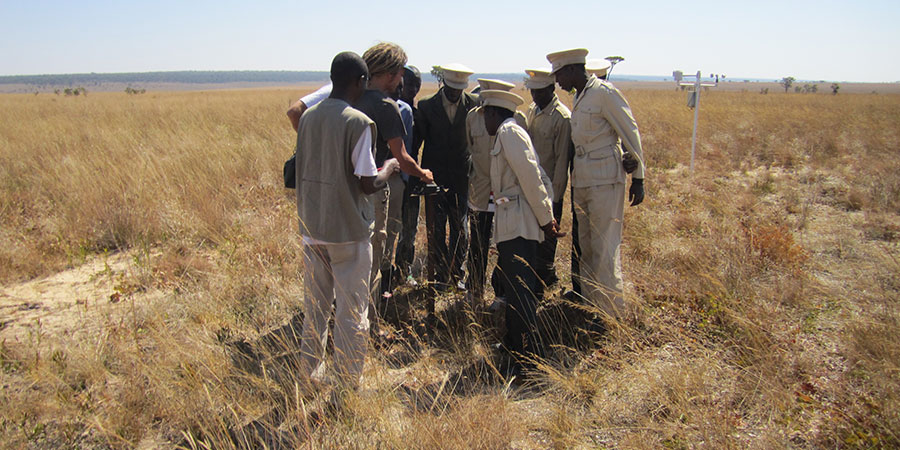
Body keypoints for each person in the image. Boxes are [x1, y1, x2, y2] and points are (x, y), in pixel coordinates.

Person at [294, 51, 398, 396]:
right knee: (352, 312)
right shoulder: (357, 122)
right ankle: (346, 386)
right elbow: (367, 182)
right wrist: (390, 169)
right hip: (349, 234)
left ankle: (308, 376)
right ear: (361, 82)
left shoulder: (308, 118)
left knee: (316, 310)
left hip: (313, 229)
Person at [547, 48, 645, 325]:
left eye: (559, 74)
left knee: (604, 248)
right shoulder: (580, 97)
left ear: (572, 70)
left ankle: (611, 315)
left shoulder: (604, 93)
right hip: (584, 182)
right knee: (587, 248)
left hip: (605, 181)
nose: (557, 82)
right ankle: (592, 309)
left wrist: (639, 176)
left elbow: (630, 131)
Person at [481, 89, 564, 376]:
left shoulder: (510, 133)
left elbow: (531, 177)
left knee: (520, 293)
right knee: (517, 291)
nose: (483, 121)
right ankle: (517, 349)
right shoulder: (506, 133)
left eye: (484, 114)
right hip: (511, 223)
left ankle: (529, 362)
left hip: (520, 224)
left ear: (493, 113)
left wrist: (546, 219)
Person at [355, 43, 434, 303]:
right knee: (376, 253)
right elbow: (402, 157)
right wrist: (423, 173)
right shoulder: (385, 105)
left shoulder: (350, 96)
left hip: (345, 188)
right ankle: (371, 320)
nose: (402, 80)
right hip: (373, 186)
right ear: (390, 74)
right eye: (400, 74)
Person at [416, 64, 478, 298]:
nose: (454, 93)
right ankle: (441, 276)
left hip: (462, 178)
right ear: (443, 84)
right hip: (435, 179)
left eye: (459, 89)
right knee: (437, 229)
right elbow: (418, 143)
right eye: (451, 88)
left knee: (461, 229)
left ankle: (456, 275)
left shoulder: (474, 105)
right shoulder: (426, 106)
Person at [466, 78, 527, 306]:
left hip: (507, 193)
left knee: (505, 244)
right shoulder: (472, 117)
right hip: (481, 191)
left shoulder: (519, 121)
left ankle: (501, 293)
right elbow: (471, 147)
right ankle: (474, 290)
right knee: (477, 243)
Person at [524, 68, 573, 298]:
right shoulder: (532, 111)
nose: (534, 96)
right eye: (532, 91)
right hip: (531, 188)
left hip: (550, 193)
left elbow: (562, 161)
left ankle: (542, 287)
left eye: (539, 91)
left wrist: (555, 200)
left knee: (547, 243)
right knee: (532, 240)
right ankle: (532, 282)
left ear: (551, 89)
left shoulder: (562, 118)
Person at [395, 66, 423, 285]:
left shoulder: (418, 113)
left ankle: (404, 271)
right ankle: (386, 272)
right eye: (409, 83)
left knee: (409, 227)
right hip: (393, 176)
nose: (412, 88)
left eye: (416, 84)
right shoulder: (392, 109)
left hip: (412, 178)